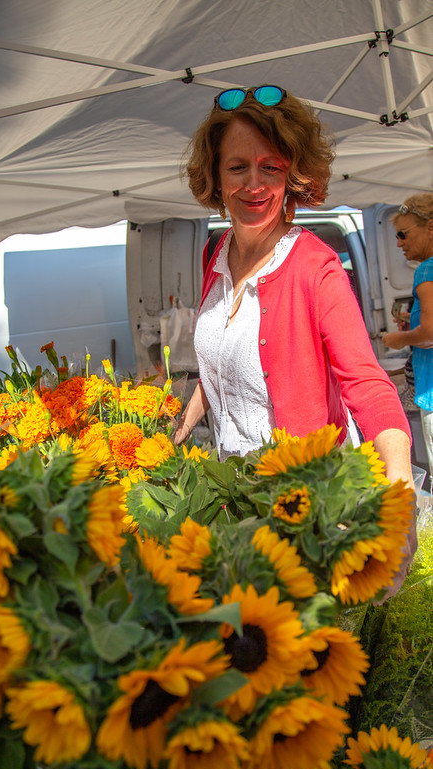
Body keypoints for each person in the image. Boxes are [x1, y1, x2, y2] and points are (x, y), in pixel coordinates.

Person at [174, 85, 415, 596]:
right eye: (238, 167)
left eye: (271, 167)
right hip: (238, 497)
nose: (255, 184)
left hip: (307, 507)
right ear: (215, 178)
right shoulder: (214, 257)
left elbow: (367, 385)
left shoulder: (314, 267)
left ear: (293, 175)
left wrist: (400, 489)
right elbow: (222, 355)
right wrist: (179, 422)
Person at [382, 194, 433, 481]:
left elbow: (430, 333)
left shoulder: (427, 269)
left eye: (403, 234)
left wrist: (401, 339)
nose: (399, 243)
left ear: (430, 228)